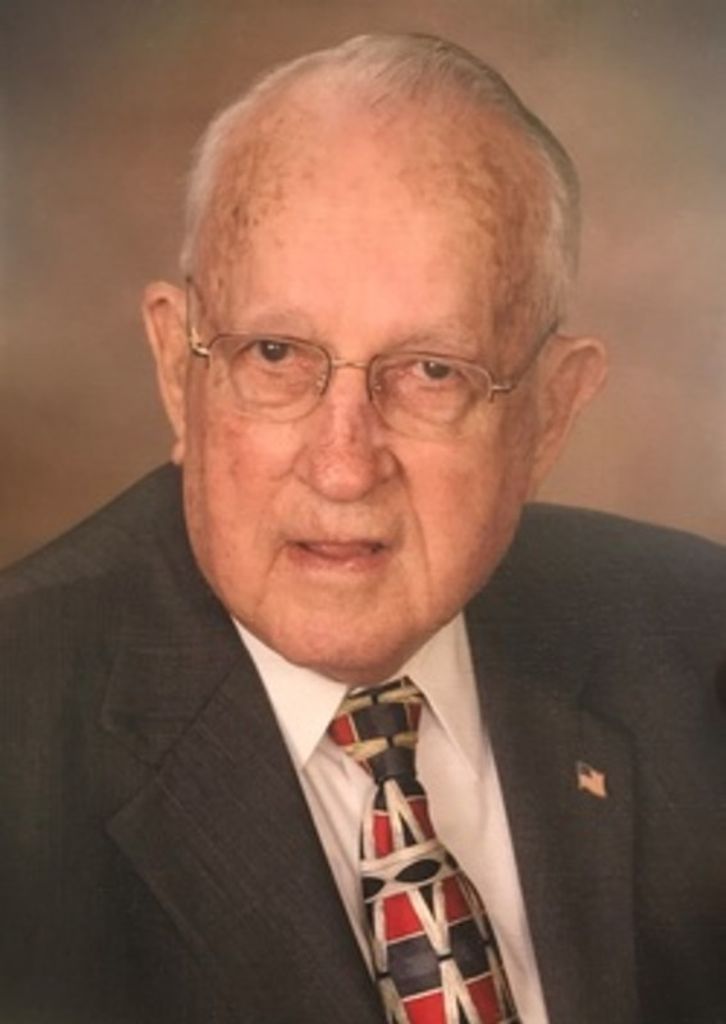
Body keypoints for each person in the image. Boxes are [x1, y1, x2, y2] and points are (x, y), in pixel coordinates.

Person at [1, 32, 724, 1024]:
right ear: (178, 368)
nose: (343, 464)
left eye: (432, 371)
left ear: (550, 412)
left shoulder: (698, 647)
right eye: (275, 353)